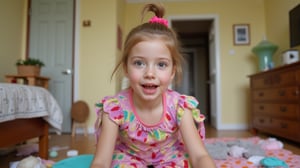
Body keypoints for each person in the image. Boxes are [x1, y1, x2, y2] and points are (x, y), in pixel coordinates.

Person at [91, 3, 216, 168]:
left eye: (161, 65)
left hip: (171, 157)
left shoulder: (179, 107)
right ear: (126, 69)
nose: (150, 73)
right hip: (129, 157)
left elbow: (199, 156)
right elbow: (101, 161)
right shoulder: (114, 109)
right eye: (139, 63)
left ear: (172, 72)